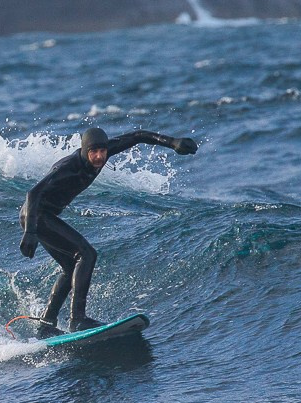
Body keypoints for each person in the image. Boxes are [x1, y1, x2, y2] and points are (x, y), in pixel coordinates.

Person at [19, 127, 198, 337]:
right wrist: (30, 232)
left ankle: (46, 323)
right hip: (37, 216)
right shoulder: (68, 167)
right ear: (85, 150)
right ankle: (78, 320)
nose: (99, 156)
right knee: (86, 254)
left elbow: (137, 136)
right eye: (93, 151)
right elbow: (33, 193)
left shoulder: (103, 153)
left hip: (46, 217)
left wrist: (173, 142)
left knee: (70, 267)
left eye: (102, 151)